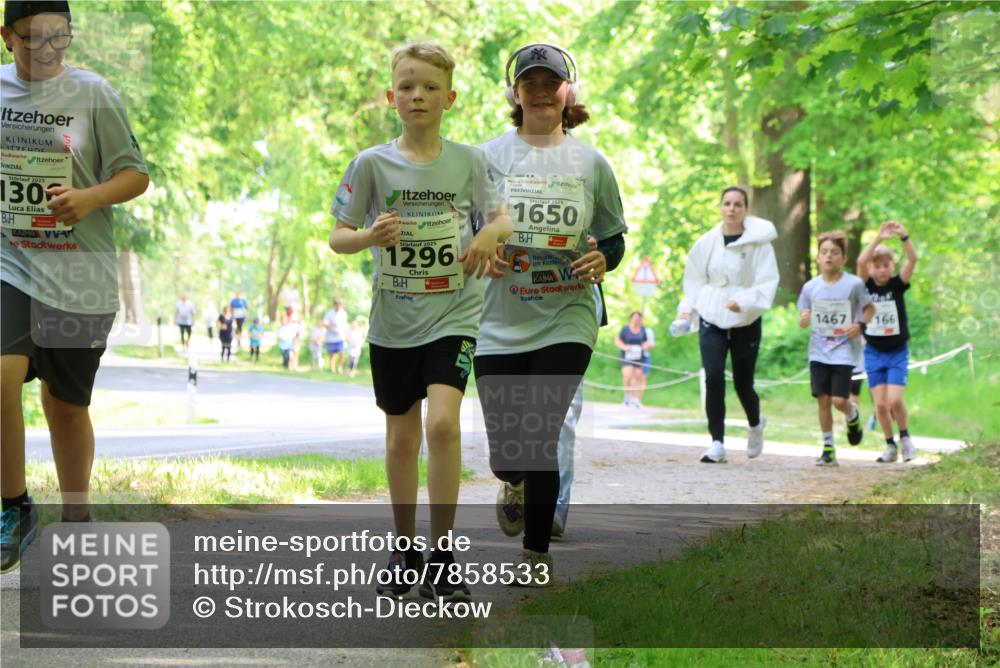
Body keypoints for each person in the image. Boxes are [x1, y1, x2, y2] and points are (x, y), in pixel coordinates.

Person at [328, 41, 511, 602]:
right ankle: (404, 550)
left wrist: (486, 233)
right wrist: (368, 237)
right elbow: (338, 236)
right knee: (403, 438)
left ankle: (443, 553)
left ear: (449, 98)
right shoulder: (371, 163)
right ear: (391, 96)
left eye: (430, 87)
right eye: (407, 86)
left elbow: (503, 217)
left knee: (444, 426)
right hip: (394, 322)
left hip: (454, 313)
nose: (418, 95)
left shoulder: (470, 162)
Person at [1, 0, 149, 572]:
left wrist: (88, 198)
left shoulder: (94, 93)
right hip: (9, 261)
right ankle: (14, 506)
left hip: (78, 274)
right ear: (6, 37)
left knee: (65, 407)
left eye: (59, 38)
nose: (47, 51)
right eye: (33, 39)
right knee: (1, 374)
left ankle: (78, 520)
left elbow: (135, 174)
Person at [477, 42, 626, 585]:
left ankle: (535, 558)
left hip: (568, 313)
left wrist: (601, 259)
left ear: (569, 92)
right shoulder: (487, 156)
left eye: (551, 82)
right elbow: (463, 225)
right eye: (530, 82)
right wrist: (481, 248)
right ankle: (511, 478)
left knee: (542, 430)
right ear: (515, 93)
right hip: (498, 316)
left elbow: (613, 238)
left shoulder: (592, 163)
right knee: (509, 452)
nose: (541, 91)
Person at [677, 187, 779, 464]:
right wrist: (687, 311)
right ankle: (717, 442)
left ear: (746, 209)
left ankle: (756, 424)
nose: (732, 209)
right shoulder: (707, 243)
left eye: (737, 204)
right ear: (720, 207)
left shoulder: (759, 244)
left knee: (744, 384)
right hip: (712, 315)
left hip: (746, 319)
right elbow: (694, 279)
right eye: (727, 204)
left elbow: (767, 280)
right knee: (713, 377)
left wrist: (744, 301)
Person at [798, 230, 875, 466]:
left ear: (843, 258)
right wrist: (803, 319)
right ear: (818, 258)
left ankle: (852, 415)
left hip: (844, 351)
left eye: (834, 252)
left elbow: (870, 308)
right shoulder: (810, 287)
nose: (829, 256)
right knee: (823, 400)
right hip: (818, 351)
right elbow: (803, 314)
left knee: (839, 401)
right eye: (824, 252)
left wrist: (860, 325)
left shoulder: (854, 284)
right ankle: (828, 447)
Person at [857, 220, 919, 463]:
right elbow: (861, 262)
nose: (882, 270)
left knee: (894, 400)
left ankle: (905, 437)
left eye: (886, 266)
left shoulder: (897, 286)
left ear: (892, 267)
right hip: (873, 351)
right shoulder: (866, 286)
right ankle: (889, 445)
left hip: (897, 352)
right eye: (878, 266)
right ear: (873, 269)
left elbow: (913, 260)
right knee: (881, 405)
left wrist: (904, 237)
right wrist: (879, 238)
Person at [615, 311, 652, 408]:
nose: (636, 320)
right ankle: (626, 397)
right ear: (631, 318)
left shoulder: (643, 330)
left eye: (638, 318)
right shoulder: (625, 329)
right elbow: (618, 340)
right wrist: (624, 347)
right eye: (634, 318)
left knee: (638, 377)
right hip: (627, 356)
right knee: (627, 374)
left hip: (639, 357)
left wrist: (645, 346)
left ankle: (635, 399)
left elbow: (647, 342)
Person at [323, 298, 348, 374]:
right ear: (334, 305)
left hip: (340, 337)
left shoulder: (343, 313)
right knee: (332, 355)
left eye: (340, 305)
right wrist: (331, 325)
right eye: (337, 305)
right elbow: (324, 323)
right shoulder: (329, 313)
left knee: (342, 353)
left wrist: (346, 334)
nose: (338, 306)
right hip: (330, 337)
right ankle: (332, 369)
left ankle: (339, 366)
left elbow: (345, 325)